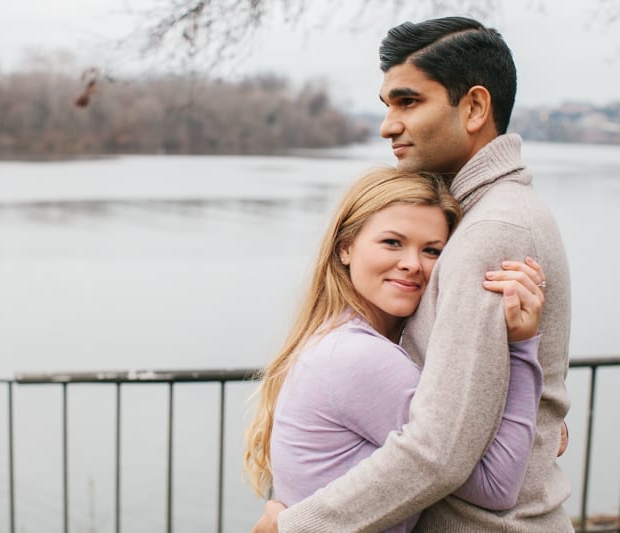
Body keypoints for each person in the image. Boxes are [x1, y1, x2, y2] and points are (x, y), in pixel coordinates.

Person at [253, 16, 572, 532]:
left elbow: (438, 452)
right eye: (387, 106)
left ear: (473, 107)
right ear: (345, 249)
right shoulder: (480, 215)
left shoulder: (492, 229)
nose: (387, 126)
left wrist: (294, 526)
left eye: (408, 102)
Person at [244, 167, 547, 532]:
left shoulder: (333, 339)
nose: (411, 264)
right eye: (392, 242)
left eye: (432, 250)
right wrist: (521, 347)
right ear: (345, 247)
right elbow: (496, 486)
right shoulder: (357, 357)